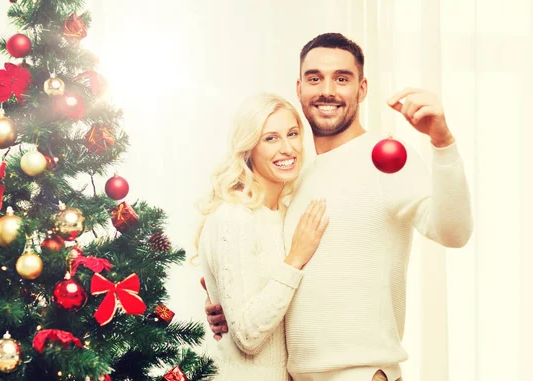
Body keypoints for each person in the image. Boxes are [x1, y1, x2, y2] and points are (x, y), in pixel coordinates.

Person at [201, 33, 474, 381]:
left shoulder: (388, 159)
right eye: (315, 78)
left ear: (361, 89)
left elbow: (455, 232)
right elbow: (281, 274)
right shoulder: (292, 175)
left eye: (341, 79)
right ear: (299, 88)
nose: (327, 90)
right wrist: (229, 304)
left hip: (361, 373)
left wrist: (442, 141)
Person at [195, 93, 330, 380]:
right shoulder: (233, 217)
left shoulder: (282, 214)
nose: (287, 148)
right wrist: (295, 258)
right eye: (271, 138)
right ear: (249, 148)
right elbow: (247, 336)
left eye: (292, 134)